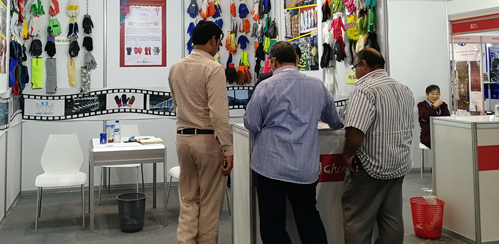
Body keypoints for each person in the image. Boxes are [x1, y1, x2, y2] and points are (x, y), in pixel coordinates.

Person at [244, 41, 344, 244]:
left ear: (273, 61)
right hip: (304, 167)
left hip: (270, 166)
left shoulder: (265, 86)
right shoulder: (317, 86)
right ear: (296, 60)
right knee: (308, 217)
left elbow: (251, 123)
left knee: (273, 222)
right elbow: (335, 122)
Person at [168, 20, 233, 244]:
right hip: (206, 141)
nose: (218, 48)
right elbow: (218, 114)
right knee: (209, 202)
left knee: (188, 200)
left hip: (182, 138)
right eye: (219, 43)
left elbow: (176, 104)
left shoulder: (175, 68)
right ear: (213, 40)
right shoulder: (213, 68)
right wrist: (228, 148)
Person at [342, 48, 415, 244]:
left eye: (355, 67)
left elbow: (356, 129)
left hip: (370, 166)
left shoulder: (364, 90)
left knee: (358, 220)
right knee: (392, 219)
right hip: (398, 164)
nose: (355, 72)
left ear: (364, 65)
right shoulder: (404, 88)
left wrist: (348, 154)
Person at [417, 84, 450, 149]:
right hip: (428, 137)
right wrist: (434, 106)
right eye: (432, 94)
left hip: (442, 136)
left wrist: (441, 106)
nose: (435, 96)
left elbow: (447, 118)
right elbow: (425, 117)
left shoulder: (443, 105)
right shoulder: (422, 105)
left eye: (437, 94)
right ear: (427, 95)